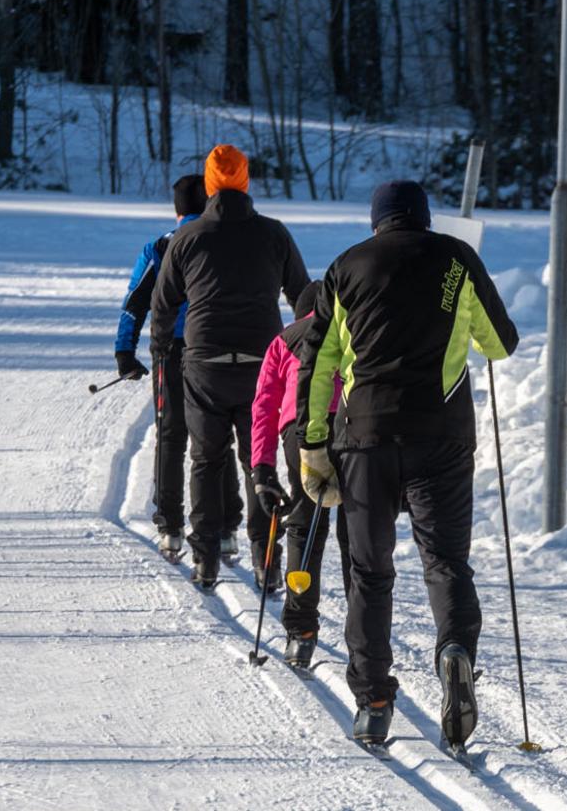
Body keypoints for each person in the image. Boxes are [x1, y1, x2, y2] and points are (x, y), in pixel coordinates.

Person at [294, 180, 518, 749]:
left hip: (365, 437)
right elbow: (499, 344)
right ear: (423, 218)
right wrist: (455, 316)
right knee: (446, 561)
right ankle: (455, 651)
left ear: (377, 222)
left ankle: (372, 700)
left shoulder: (346, 267)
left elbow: (319, 362)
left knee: (369, 572)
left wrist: (312, 441)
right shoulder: (455, 259)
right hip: (442, 437)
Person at [151, 145, 311, 591]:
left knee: (205, 459)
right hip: (262, 362)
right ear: (245, 182)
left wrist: (162, 353)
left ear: (208, 185)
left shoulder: (187, 238)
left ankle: (205, 559)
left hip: (204, 361)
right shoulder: (275, 234)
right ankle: (266, 558)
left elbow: (163, 306)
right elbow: (302, 298)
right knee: (256, 460)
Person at [248, 281, 348, 669]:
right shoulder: (352, 328)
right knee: (357, 533)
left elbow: (263, 406)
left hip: (299, 431)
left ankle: (300, 632)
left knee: (306, 527)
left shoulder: (285, 338)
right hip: (350, 426)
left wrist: (262, 467)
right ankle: (364, 639)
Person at [113, 174, 206, 562]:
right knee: (212, 437)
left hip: (168, 349)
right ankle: (221, 525)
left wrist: (125, 351)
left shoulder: (159, 247)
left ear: (176, 208)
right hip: (210, 348)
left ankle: (170, 525)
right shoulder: (219, 242)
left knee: (171, 434)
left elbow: (135, 302)